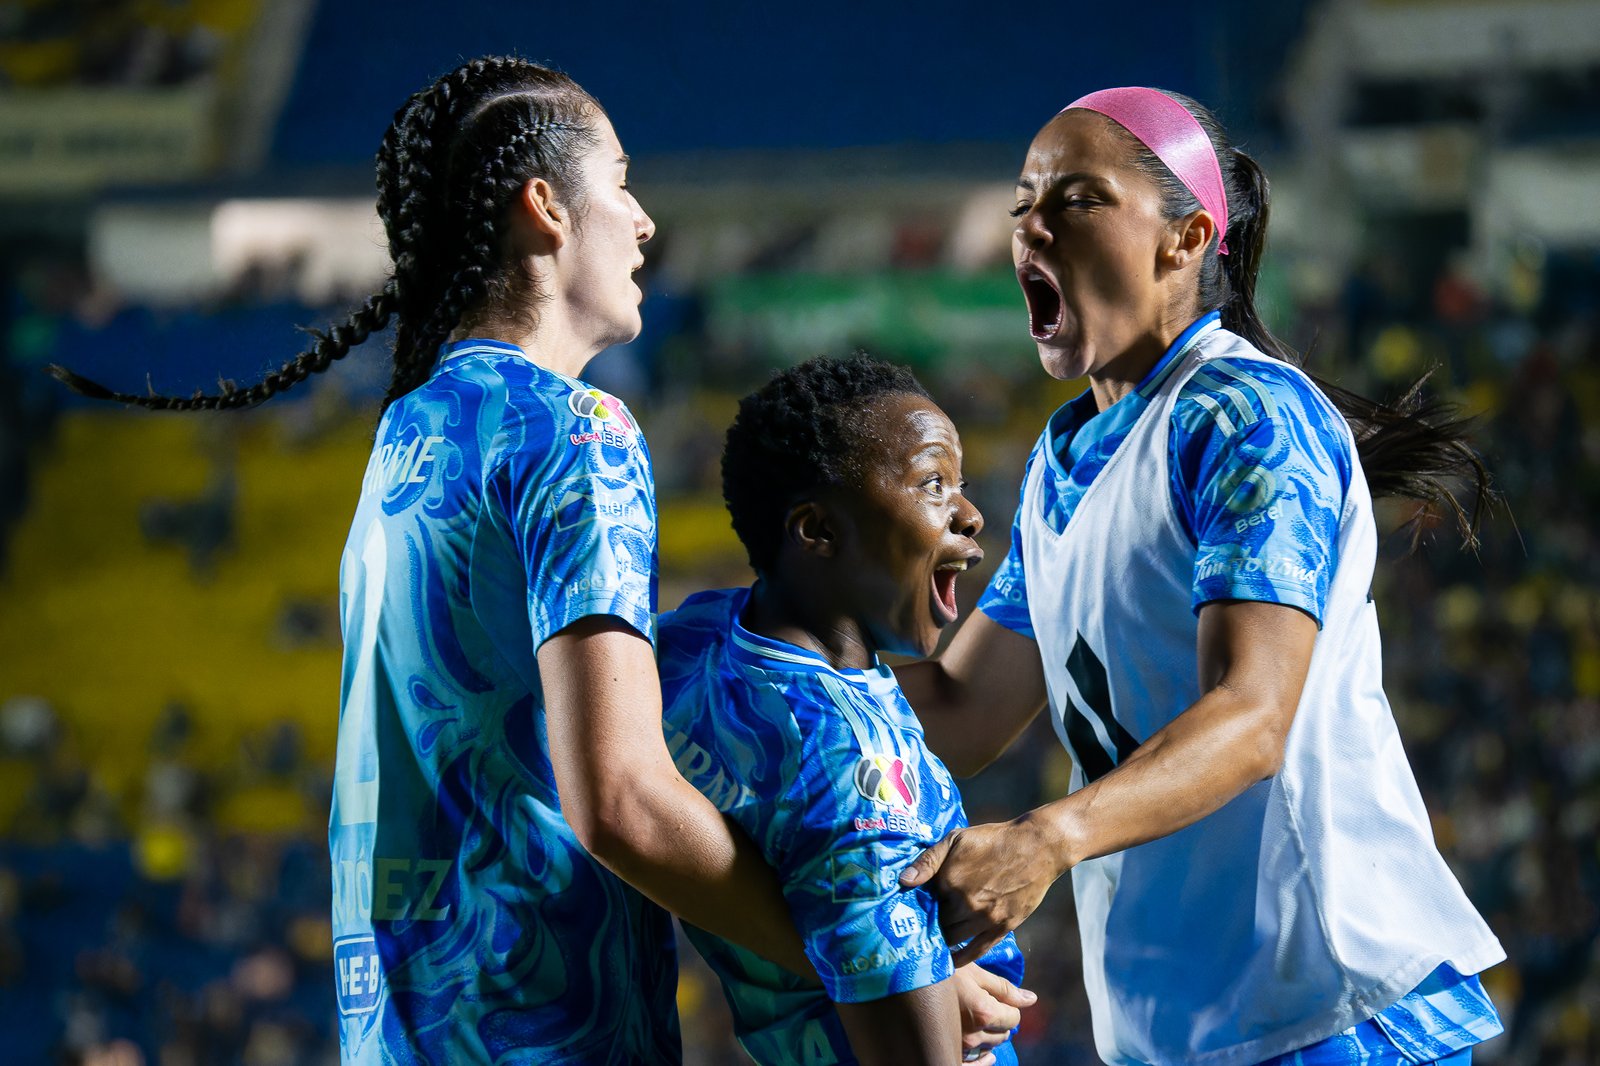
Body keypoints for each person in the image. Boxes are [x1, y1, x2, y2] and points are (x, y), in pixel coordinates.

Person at [51, 57, 1028, 1064]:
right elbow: (619, 801)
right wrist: (874, 967)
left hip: (396, 1024)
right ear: (546, 209)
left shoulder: (408, 434)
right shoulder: (578, 434)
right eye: (621, 183)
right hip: (541, 1022)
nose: (644, 221)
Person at [895, 88, 1506, 1065]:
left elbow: (1250, 714)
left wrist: (1046, 837)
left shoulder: (1239, 411)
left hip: (1329, 1005)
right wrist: (729, 664)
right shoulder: (1066, 461)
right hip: (1185, 1024)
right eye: (1022, 203)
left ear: (1184, 240)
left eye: (1078, 198)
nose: (1032, 225)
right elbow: (962, 704)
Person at [658, 354, 1030, 1066]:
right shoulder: (854, 771)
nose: (971, 514)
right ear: (818, 531)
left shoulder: (698, 638)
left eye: (962, 485)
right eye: (933, 484)